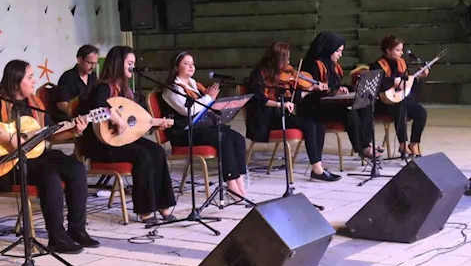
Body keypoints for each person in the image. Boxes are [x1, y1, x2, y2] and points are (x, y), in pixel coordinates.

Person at [0, 59, 98, 254]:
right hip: (6, 163)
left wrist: (74, 131)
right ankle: (57, 237)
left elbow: (51, 135)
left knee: (76, 168)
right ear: (16, 81)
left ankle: (77, 229)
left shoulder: (35, 103)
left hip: (35, 155)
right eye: (30, 77)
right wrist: (10, 138)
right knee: (50, 176)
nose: (34, 81)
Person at [79, 45, 177, 224]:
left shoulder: (125, 91)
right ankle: (145, 210)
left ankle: (163, 205)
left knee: (157, 150)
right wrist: (117, 119)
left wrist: (154, 124)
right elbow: (99, 106)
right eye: (129, 63)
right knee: (142, 155)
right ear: (118, 64)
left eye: (133, 64)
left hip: (120, 141)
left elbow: (135, 122)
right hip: (102, 145)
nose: (133, 67)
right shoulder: (103, 87)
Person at [247, 42, 341, 182]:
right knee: (309, 125)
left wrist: (310, 90)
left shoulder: (281, 76)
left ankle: (318, 166)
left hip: (280, 115)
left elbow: (293, 97)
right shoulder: (258, 75)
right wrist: (280, 104)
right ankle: (317, 171)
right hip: (264, 119)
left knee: (318, 124)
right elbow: (258, 99)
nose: (289, 63)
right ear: (277, 59)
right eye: (286, 59)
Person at [160, 51, 249, 196]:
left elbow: (203, 106)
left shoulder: (194, 84)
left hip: (200, 128)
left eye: (192, 64)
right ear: (176, 67)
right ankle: (231, 184)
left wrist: (213, 102)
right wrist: (208, 98)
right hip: (183, 133)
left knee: (237, 138)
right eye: (186, 63)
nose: (191, 67)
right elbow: (187, 110)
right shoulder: (172, 89)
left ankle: (240, 181)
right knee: (223, 140)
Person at [300, 32, 378, 161]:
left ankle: (366, 144)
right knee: (350, 113)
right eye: (338, 51)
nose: (340, 55)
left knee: (365, 105)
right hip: (316, 108)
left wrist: (348, 88)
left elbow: (336, 85)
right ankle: (362, 149)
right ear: (328, 49)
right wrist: (333, 92)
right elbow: (314, 91)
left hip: (331, 105)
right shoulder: (313, 64)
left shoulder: (334, 66)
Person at [370, 35, 428, 159]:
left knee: (421, 112)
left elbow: (408, 83)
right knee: (400, 108)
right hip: (383, 103)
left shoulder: (401, 63)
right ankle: (402, 144)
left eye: (402, 50)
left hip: (400, 99)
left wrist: (418, 77)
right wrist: (393, 82)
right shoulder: (377, 65)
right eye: (398, 50)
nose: (401, 53)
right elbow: (377, 85)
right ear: (388, 51)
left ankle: (413, 143)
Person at [56, 44, 99, 120]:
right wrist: (76, 115)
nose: (93, 67)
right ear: (79, 60)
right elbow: (61, 104)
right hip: (72, 119)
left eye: (95, 63)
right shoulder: (67, 77)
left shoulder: (93, 76)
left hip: (89, 117)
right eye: (89, 63)